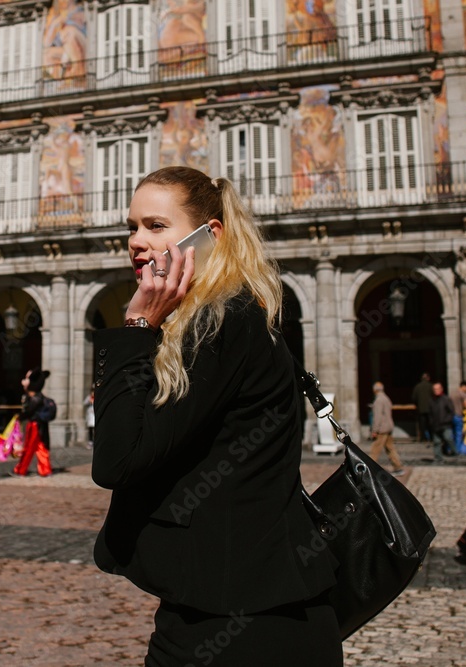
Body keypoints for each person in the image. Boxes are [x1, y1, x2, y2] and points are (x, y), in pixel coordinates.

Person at [91, 166, 341, 666]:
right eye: (131, 227)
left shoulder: (219, 321)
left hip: (242, 619)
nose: (137, 241)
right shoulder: (226, 315)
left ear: (211, 235)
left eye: (156, 226)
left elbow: (117, 460)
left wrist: (138, 326)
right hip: (230, 602)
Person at [12, 368, 54, 477]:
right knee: (41, 447)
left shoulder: (36, 398)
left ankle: (21, 469)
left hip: (34, 425)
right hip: (40, 425)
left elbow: (29, 411)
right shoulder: (39, 397)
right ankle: (45, 469)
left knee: (29, 448)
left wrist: (20, 417)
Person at [372, 381, 405, 475]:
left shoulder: (378, 400)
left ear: (375, 390)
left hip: (382, 429)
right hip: (389, 426)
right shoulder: (386, 398)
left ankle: (368, 467)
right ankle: (398, 467)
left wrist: (375, 430)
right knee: (390, 448)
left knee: (375, 449)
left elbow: (377, 417)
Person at [428, 382, 456, 461]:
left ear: (441, 389)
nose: (436, 390)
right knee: (437, 442)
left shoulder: (446, 399)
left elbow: (451, 412)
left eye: (437, 389)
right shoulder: (431, 400)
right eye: (434, 389)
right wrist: (431, 422)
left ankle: (455, 452)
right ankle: (438, 458)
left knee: (448, 438)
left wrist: (446, 420)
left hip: (445, 424)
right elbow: (430, 413)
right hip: (435, 425)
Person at [411, 372, 433, 443]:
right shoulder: (431, 386)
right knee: (430, 424)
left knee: (422, 425)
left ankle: (423, 438)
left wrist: (417, 404)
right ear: (428, 378)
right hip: (430, 409)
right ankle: (432, 438)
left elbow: (414, 398)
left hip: (421, 408)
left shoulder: (417, 387)